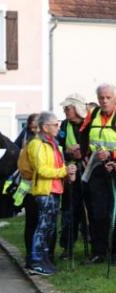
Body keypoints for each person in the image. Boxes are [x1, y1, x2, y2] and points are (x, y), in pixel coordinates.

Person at [25, 112, 76, 276]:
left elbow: (56, 165)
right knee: (43, 226)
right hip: (44, 191)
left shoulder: (52, 143)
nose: (58, 127)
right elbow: (41, 169)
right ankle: (36, 260)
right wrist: (64, 171)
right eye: (55, 124)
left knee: (50, 227)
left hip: (55, 189)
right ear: (45, 127)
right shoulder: (37, 144)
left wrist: (67, 171)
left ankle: (44, 258)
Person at [82, 83, 116, 263]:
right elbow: (84, 136)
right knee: (97, 211)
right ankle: (99, 251)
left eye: (108, 97)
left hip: (114, 168)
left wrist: (112, 156)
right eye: (101, 97)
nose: (104, 101)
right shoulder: (93, 114)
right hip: (96, 169)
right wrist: (84, 154)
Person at [57, 94, 88, 260]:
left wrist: (83, 149)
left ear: (76, 108)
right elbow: (57, 147)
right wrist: (67, 151)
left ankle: (93, 247)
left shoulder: (89, 124)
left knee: (90, 211)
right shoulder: (63, 125)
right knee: (69, 211)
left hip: (89, 171)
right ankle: (67, 248)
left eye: (67, 108)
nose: (65, 110)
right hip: (70, 174)